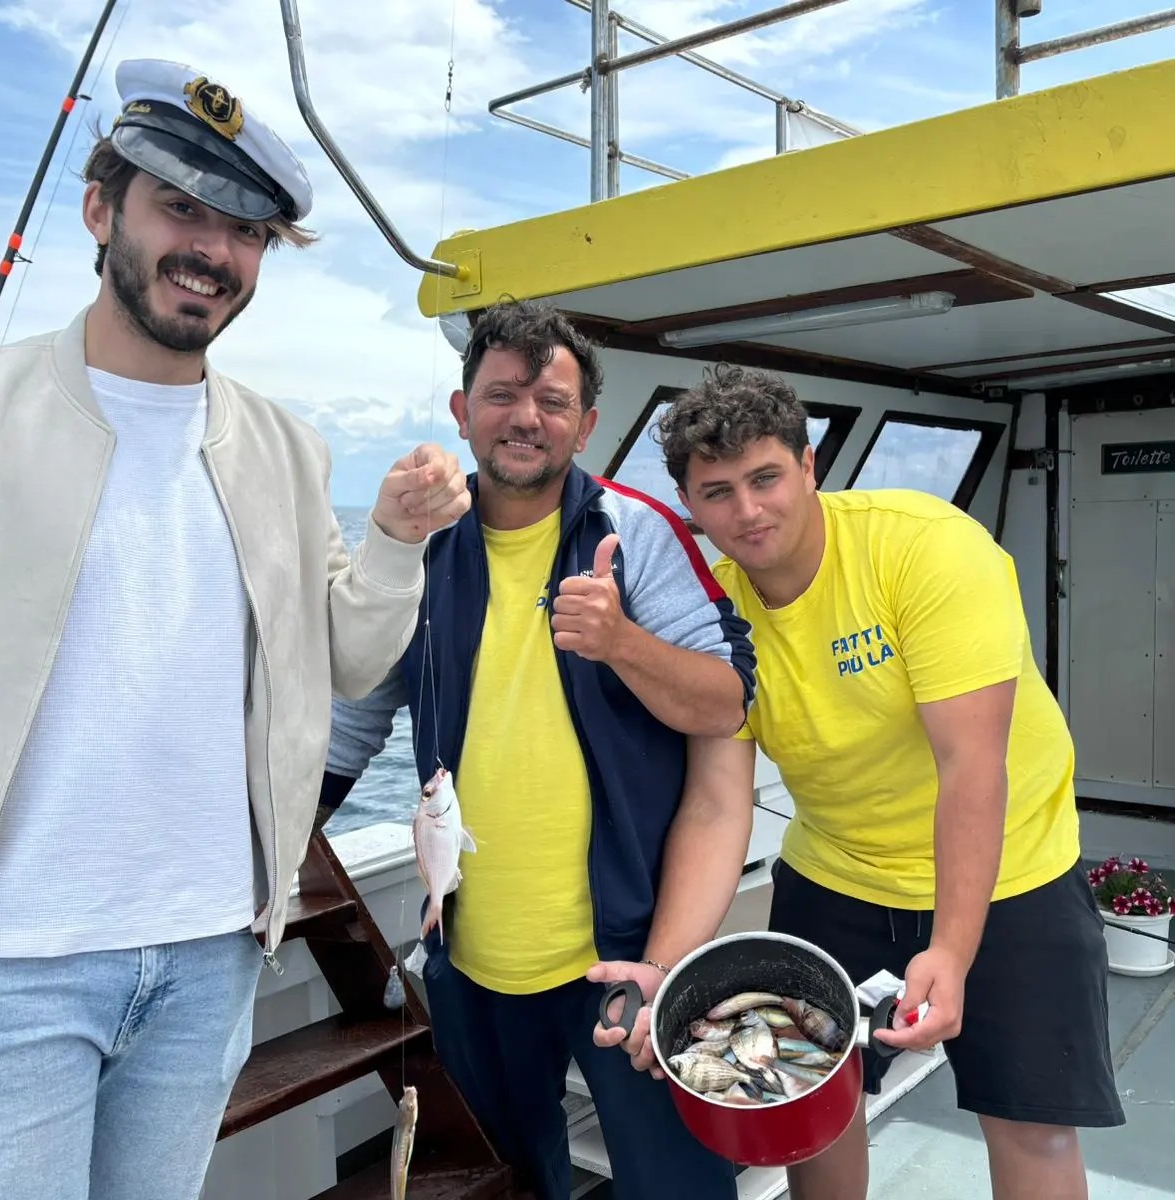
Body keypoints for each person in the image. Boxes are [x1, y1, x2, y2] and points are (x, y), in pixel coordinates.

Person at [0, 58, 469, 1200]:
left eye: (245, 229)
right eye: (180, 209)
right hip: (10, 962)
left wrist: (395, 539)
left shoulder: (290, 449)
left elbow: (350, 660)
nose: (211, 250)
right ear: (101, 211)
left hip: (215, 950)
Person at [604, 362, 1124, 1200]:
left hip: (1011, 872)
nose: (748, 511)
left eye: (766, 478)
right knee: (814, 1111)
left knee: (1030, 1124)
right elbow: (717, 804)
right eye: (718, 492)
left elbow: (970, 769)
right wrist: (661, 967)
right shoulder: (714, 616)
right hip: (837, 877)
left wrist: (951, 950)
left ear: (809, 465)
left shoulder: (922, 548)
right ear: (689, 504)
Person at [323, 300, 759, 1200]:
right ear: (462, 411)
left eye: (552, 401)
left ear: (586, 425)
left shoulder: (636, 533)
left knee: (677, 1183)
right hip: (469, 953)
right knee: (508, 1180)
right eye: (502, 396)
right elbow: (354, 719)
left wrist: (622, 643)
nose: (526, 417)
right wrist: (280, 837)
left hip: (624, 949)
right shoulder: (421, 549)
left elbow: (727, 702)